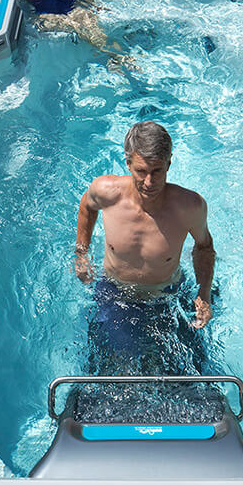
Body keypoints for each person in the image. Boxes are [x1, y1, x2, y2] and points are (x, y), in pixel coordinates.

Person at [75, 122, 215, 371]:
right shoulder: (107, 192)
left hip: (168, 294)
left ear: (169, 164)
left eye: (157, 171)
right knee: (115, 366)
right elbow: (87, 206)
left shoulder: (189, 206)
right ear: (128, 164)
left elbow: (204, 247)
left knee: (191, 367)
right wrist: (81, 253)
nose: (149, 181)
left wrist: (203, 294)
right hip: (116, 293)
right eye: (141, 171)